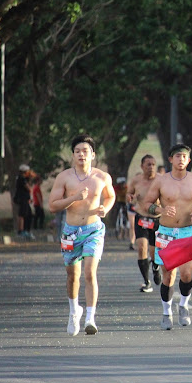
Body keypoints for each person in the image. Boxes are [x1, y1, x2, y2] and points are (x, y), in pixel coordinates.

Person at [48, 134, 115, 336]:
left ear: (93, 155)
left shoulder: (102, 177)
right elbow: (52, 206)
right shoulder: (64, 178)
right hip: (70, 232)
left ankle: (90, 318)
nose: (81, 155)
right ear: (73, 155)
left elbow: (110, 196)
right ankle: (73, 311)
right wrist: (75, 197)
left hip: (93, 230)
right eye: (77, 151)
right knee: (72, 276)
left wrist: (106, 208)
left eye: (85, 151)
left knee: (89, 272)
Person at [142, 143, 192, 330]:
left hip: (186, 232)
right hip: (166, 233)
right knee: (168, 276)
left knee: (186, 274)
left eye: (184, 156)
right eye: (177, 156)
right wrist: (160, 209)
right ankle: (166, 312)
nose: (181, 159)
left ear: (189, 160)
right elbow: (146, 204)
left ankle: (183, 305)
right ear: (170, 159)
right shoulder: (161, 181)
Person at [126, 155, 162, 293]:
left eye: (153, 164)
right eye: (148, 164)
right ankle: (146, 282)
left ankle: (155, 267)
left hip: (157, 219)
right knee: (142, 247)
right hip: (142, 217)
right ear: (142, 166)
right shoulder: (136, 180)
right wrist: (130, 197)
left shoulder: (161, 180)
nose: (151, 167)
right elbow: (129, 194)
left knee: (153, 252)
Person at [14, 164, 34, 239]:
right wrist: (30, 179)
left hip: (25, 199)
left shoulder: (22, 178)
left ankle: (26, 230)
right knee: (22, 215)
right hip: (23, 199)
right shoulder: (21, 179)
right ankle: (21, 231)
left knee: (28, 214)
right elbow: (29, 188)